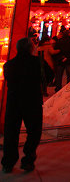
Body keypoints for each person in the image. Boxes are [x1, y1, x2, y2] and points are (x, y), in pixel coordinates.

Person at [2, 38, 43, 173]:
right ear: (31, 48)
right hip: (32, 101)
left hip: (14, 102)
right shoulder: (37, 62)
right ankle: (28, 160)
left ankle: (8, 162)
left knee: (11, 132)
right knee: (34, 131)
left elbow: (8, 79)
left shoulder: (9, 65)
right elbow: (48, 77)